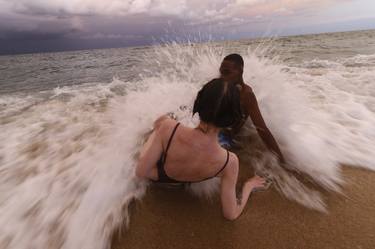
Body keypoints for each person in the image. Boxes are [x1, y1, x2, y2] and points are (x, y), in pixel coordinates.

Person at [136, 78, 266, 220]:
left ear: (198, 102)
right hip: (189, 180)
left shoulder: (168, 127)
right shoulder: (229, 162)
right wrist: (249, 186)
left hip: (161, 177)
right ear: (231, 119)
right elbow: (231, 214)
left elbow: (142, 172)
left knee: (161, 121)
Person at [219, 54, 286, 165]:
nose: (222, 76)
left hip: (224, 139)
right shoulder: (220, 86)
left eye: (226, 72)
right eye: (221, 72)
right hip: (211, 134)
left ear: (240, 71)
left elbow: (262, 129)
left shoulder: (246, 95)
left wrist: (282, 162)